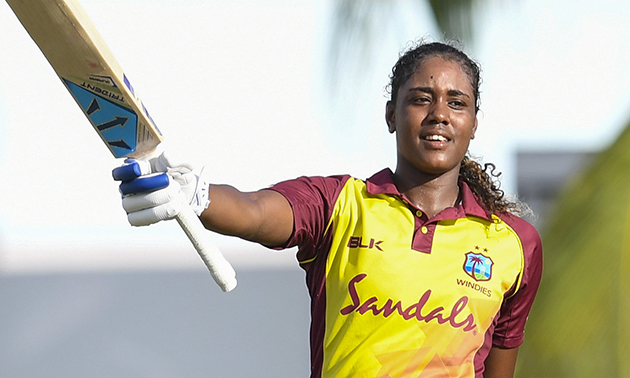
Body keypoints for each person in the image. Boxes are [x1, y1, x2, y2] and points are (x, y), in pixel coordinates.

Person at [112, 41, 543, 378]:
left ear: (473, 122)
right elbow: (257, 211)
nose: (438, 115)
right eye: (421, 99)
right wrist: (196, 196)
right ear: (391, 114)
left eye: (456, 102)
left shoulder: (514, 243)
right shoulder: (340, 203)